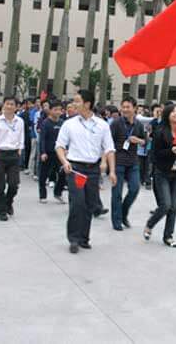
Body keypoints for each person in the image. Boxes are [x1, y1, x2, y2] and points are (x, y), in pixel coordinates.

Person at [55, 90, 117, 254]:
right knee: (77, 202)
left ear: (87, 104)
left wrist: (112, 171)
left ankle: (84, 238)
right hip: (76, 169)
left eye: (77, 101)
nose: (73, 104)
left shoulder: (102, 125)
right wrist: (65, 161)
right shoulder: (69, 124)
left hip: (93, 170)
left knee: (90, 204)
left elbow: (109, 148)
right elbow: (60, 146)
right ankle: (73, 239)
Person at [143, 104, 176, 248]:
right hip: (162, 173)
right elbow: (154, 155)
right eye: (174, 112)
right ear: (167, 114)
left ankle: (168, 236)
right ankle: (150, 224)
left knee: (173, 207)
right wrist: (171, 152)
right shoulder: (160, 131)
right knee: (166, 205)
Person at [109, 96, 146, 231]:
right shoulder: (116, 123)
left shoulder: (138, 124)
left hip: (133, 162)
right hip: (118, 161)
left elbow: (145, 141)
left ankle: (123, 212)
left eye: (128, 107)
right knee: (117, 193)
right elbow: (108, 143)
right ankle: (117, 221)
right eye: (123, 107)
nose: (125, 109)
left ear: (134, 108)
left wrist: (138, 140)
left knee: (135, 188)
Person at [0, 96, 25, 221]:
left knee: (14, 184)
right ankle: (1, 211)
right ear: (3, 106)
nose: (9, 106)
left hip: (13, 155)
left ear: (16, 107)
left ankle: (9, 202)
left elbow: (21, 138)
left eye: (12, 104)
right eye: (7, 104)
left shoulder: (20, 121)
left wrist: (19, 151)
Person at [38, 100, 66, 203]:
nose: (58, 112)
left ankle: (58, 192)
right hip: (47, 152)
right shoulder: (45, 123)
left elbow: (65, 138)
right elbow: (42, 139)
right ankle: (42, 195)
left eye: (60, 110)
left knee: (63, 172)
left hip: (59, 153)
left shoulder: (62, 123)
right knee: (43, 174)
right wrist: (43, 152)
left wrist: (65, 149)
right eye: (55, 110)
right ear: (50, 111)